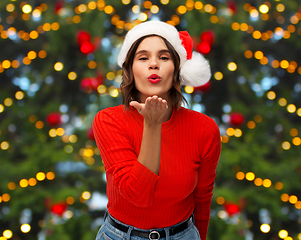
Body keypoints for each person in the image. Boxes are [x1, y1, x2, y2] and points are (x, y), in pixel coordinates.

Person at [93, 21, 221, 240]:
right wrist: (152, 126)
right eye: (143, 58)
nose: (154, 65)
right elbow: (138, 195)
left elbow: (202, 198)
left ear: (177, 70)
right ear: (130, 70)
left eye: (164, 57)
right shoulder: (108, 121)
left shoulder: (204, 129)